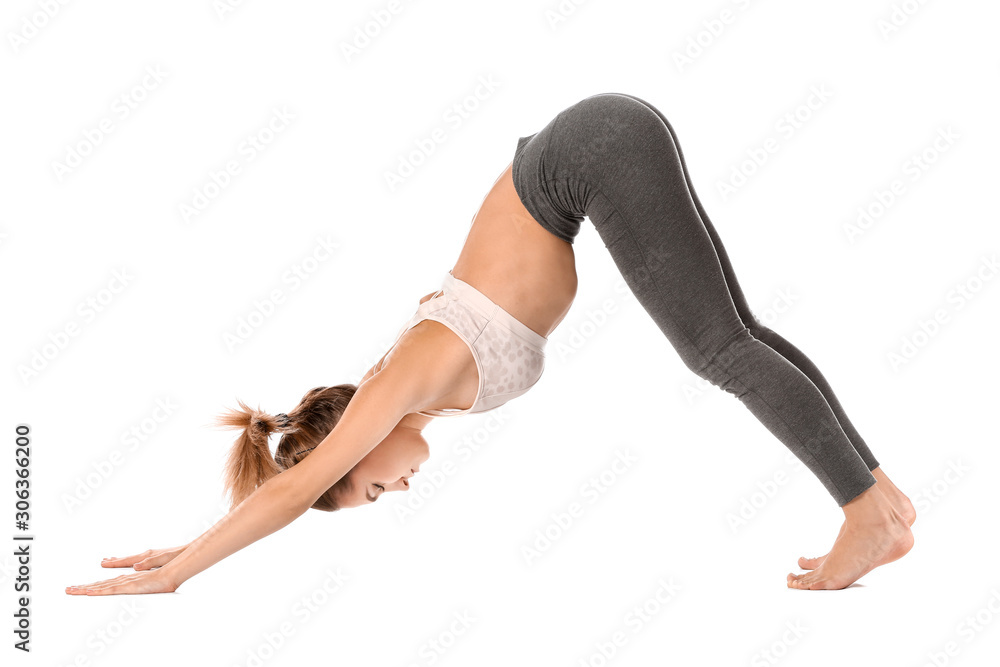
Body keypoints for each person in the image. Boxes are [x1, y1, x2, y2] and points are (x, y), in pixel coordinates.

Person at [65, 92, 914, 596]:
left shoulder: (397, 380)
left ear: (349, 442)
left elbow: (290, 494)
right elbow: (291, 486)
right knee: (736, 338)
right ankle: (886, 504)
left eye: (370, 486)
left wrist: (176, 575)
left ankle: (862, 511)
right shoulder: (413, 386)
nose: (395, 484)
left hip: (590, 152)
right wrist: (188, 541)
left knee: (717, 350)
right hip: (592, 147)